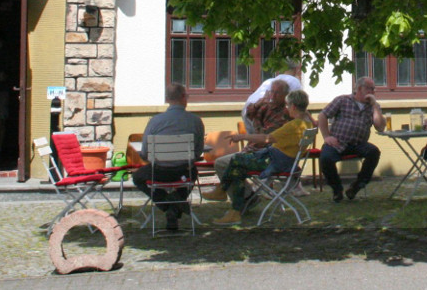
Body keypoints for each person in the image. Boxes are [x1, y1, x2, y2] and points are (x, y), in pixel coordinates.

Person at [207, 89, 314, 224]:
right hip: (286, 162)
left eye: (288, 106)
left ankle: (222, 190)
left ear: (293, 106)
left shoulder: (293, 126)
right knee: (237, 170)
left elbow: (266, 138)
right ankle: (235, 212)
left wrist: (242, 136)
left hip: (275, 162)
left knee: (236, 159)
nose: (287, 109)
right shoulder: (307, 124)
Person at [132, 81, 205, 231]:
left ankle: (165, 203)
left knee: (138, 177)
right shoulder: (196, 121)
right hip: (184, 171)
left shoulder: (155, 121)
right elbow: (198, 153)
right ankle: (176, 203)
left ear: (167, 99)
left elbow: (145, 153)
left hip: (158, 171)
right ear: (184, 97)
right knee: (194, 172)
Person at [317, 77, 386, 202]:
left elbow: (380, 127)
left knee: (374, 152)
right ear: (359, 88)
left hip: (358, 144)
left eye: (374, 89)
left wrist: (375, 105)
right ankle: (337, 190)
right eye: (370, 88)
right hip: (338, 142)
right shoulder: (343, 100)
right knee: (325, 158)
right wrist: (327, 136)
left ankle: (357, 186)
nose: (373, 91)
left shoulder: (372, 107)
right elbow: (322, 115)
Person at [213, 77, 291, 185]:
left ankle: (235, 193)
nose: (272, 96)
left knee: (225, 163)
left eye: (277, 93)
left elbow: (264, 138)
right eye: (271, 92)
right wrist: (257, 104)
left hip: (265, 156)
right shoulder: (267, 107)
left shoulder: (283, 114)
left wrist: (243, 136)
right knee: (232, 166)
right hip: (254, 151)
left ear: (285, 96)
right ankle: (244, 196)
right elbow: (249, 113)